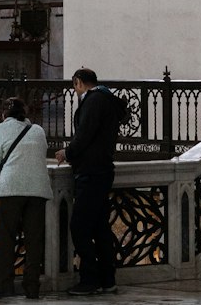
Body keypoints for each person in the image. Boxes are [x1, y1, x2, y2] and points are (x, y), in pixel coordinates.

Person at [55, 68, 127, 297]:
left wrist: (67, 152)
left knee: (79, 226)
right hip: (102, 169)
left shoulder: (94, 100)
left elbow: (85, 133)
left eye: (74, 86)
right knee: (99, 227)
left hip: (91, 172)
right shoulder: (107, 98)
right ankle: (108, 279)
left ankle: (89, 279)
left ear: (78, 82)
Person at [0, 96, 51, 300]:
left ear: (4, 114)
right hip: (38, 189)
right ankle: (32, 287)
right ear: (26, 113)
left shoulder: (1, 129)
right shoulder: (38, 130)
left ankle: (4, 285)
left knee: (6, 237)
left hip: (12, 188)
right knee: (34, 240)